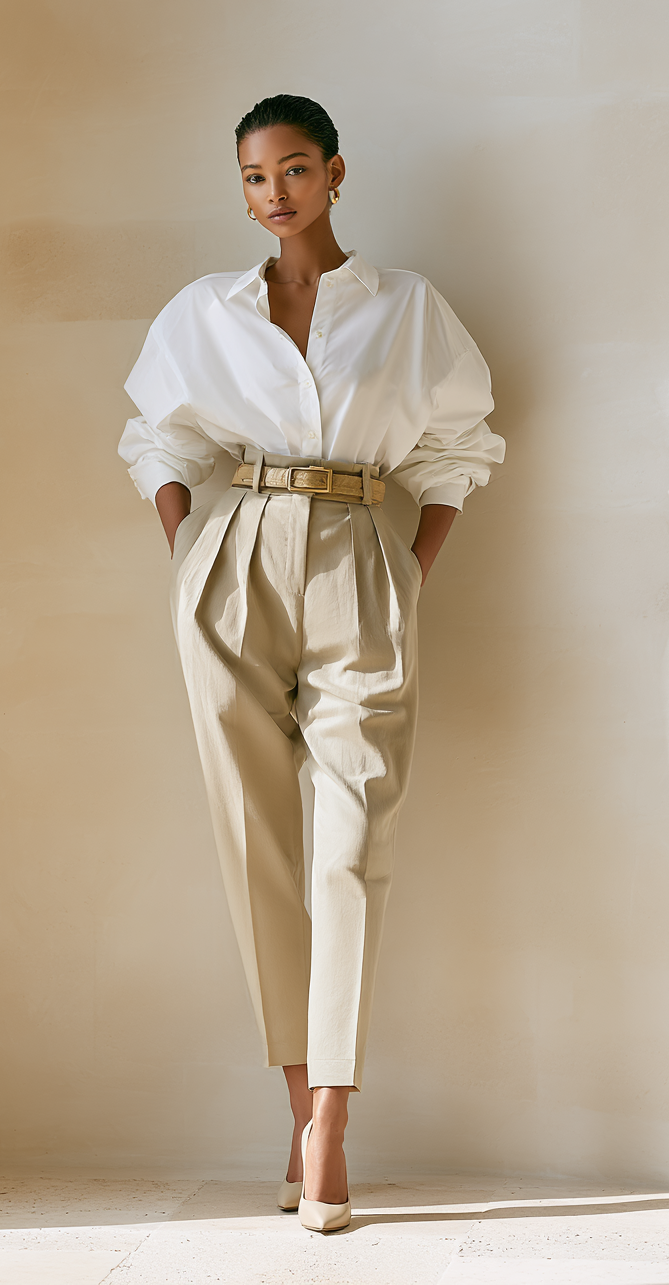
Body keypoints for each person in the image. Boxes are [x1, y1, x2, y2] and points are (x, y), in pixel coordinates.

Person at [118, 94, 505, 1232]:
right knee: (257, 845)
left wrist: (408, 574)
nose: (273, 194)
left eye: (292, 169)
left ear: (335, 173)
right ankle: (295, 1105)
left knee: (350, 846)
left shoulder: (408, 308)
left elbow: (458, 450)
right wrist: (187, 549)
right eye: (253, 176)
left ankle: (330, 1117)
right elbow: (158, 436)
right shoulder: (206, 310)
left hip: (361, 553)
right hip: (235, 557)